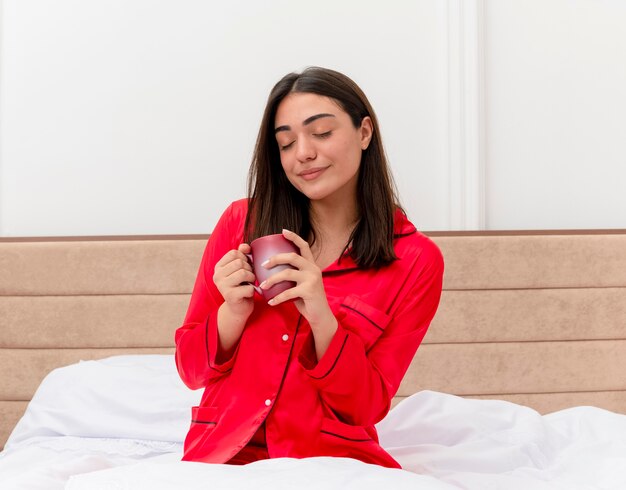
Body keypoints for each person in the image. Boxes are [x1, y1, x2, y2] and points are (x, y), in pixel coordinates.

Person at [174, 66, 444, 469]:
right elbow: (190, 371)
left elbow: (367, 406)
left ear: (364, 132)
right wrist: (232, 312)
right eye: (286, 143)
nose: (303, 153)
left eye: (321, 133)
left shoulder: (415, 260)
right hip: (224, 458)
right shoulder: (240, 225)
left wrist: (323, 319)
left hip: (332, 464)